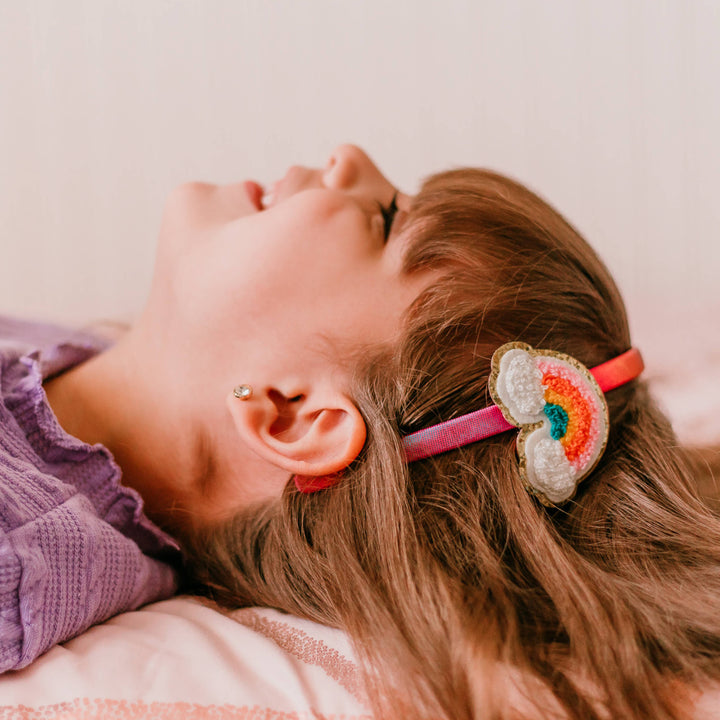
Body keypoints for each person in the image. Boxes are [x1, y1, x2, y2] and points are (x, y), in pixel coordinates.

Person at [1, 145, 719, 719]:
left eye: (385, 219)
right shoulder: (69, 362)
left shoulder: (19, 549)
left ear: (293, 416)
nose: (351, 157)